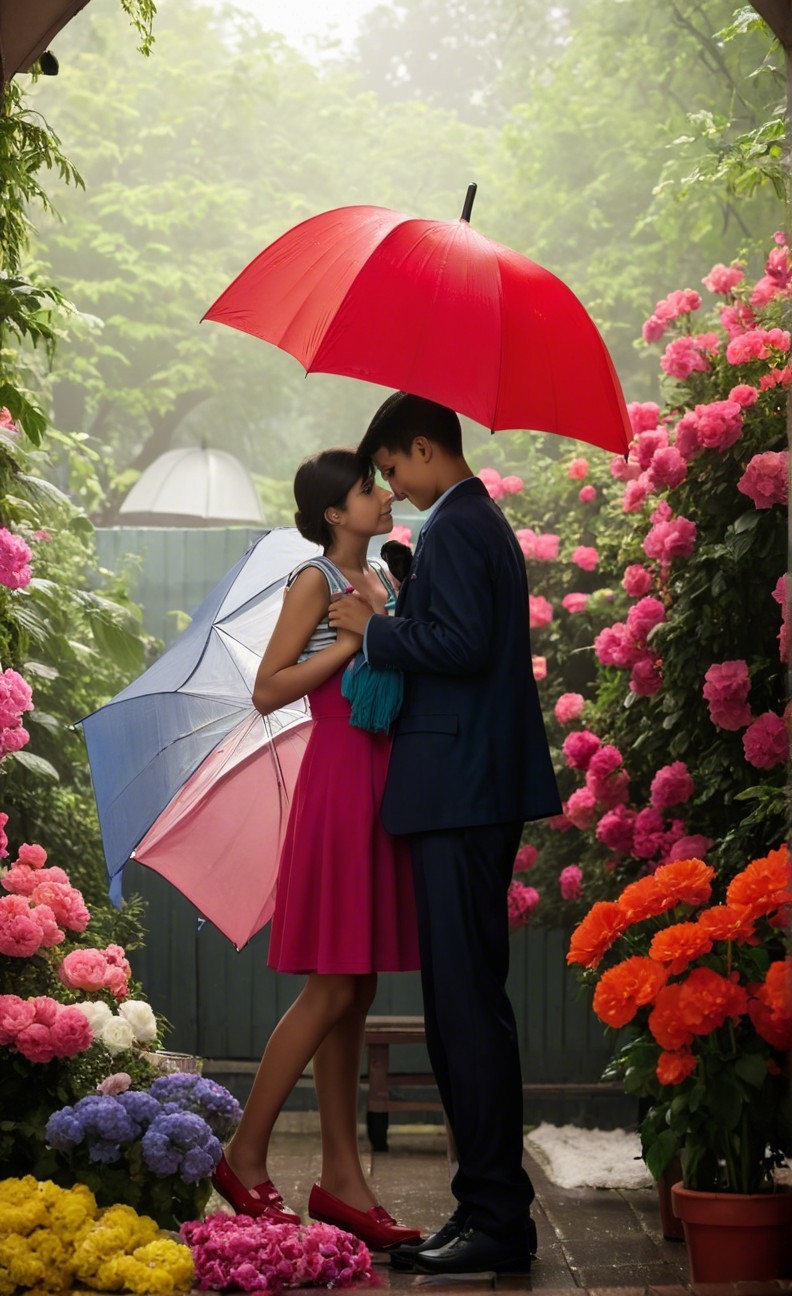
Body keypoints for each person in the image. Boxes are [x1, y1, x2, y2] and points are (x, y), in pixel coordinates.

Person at [328, 393, 561, 1275]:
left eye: (392, 470)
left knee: (464, 1009)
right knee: (467, 1006)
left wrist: (376, 630)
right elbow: (468, 637)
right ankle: (487, 1211)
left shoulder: (462, 525)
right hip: (468, 788)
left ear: (424, 448)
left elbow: (460, 645)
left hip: (460, 789)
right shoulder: (471, 524)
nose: (393, 486)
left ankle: (496, 1217)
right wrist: (409, 590)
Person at [213, 447, 422, 1252]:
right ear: (336, 512)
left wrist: (380, 621)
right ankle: (246, 1155)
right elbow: (267, 689)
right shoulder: (316, 582)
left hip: (379, 782)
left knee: (356, 988)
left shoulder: (382, 580)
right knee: (332, 986)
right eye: (371, 489)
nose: (385, 496)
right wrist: (349, 643)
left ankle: (343, 1181)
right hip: (337, 783)